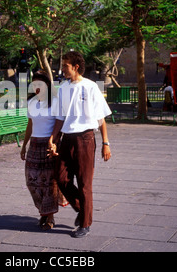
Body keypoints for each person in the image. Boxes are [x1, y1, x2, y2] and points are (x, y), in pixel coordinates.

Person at [48, 51, 112, 238]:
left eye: (66, 65)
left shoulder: (90, 87)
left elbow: (101, 120)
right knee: (61, 177)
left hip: (85, 139)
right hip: (67, 139)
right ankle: (82, 210)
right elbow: (60, 118)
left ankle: (85, 224)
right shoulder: (63, 88)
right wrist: (53, 138)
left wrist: (105, 143)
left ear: (75, 66)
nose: (63, 69)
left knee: (85, 183)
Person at [20, 71, 68, 231]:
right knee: (31, 181)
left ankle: (49, 216)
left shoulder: (55, 102)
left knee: (49, 183)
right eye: (34, 85)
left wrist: (54, 142)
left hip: (49, 145)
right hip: (34, 144)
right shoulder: (32, 102)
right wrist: (24, 145)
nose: (36, 87)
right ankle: (43, 210)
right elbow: (30, 125)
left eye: (39, 84)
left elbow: (59, 124)